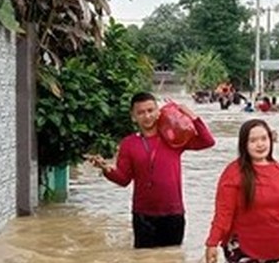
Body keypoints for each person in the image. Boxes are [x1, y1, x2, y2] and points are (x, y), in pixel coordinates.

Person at [90, 91, 215, 249]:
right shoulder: (128, 144)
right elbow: (123, 180)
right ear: (133, 117)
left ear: (158, 112)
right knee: (143, 260)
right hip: (143, 214)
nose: (147, 116)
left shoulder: (173, 137)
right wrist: (106, 168)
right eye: (141, 112)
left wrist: (191, 115)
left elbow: (207, 141)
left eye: (150, 110)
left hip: (173, 212)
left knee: (172, 259)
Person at [205, 119, 279, 263]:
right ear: (244, 144)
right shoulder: (233, 173)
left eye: (264, 139)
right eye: (253, 140)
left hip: (278, 247)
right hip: (243, 248)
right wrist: (212, 243)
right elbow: (223, 214)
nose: (260, 144)